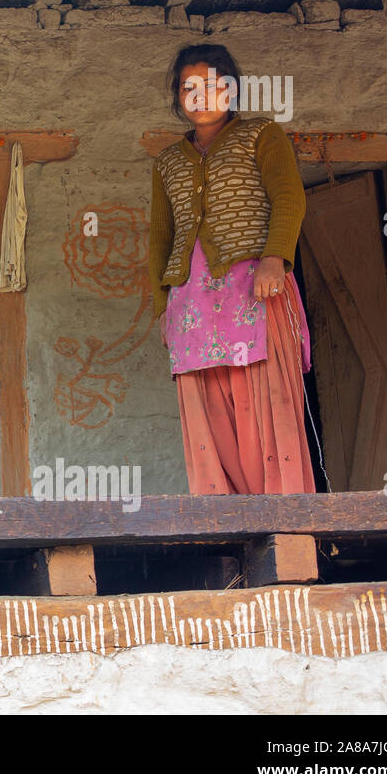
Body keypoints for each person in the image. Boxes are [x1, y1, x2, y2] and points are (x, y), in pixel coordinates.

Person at [148, 44, 315, 495]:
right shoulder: (166, 162)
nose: (199, 96)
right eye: (188, 87)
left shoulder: (262, 134)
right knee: (208, 414)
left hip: (255, 288)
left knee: (265, 404)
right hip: (190, 300)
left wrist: (274, 258)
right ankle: (224, 519)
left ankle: (284, 518)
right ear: (177, 95)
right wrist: (163, 304)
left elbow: (289, 198)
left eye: (211, 86)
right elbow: (161, 239)